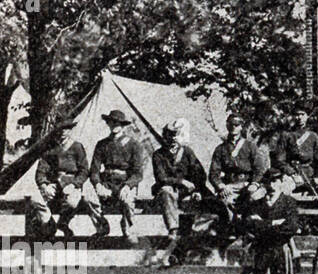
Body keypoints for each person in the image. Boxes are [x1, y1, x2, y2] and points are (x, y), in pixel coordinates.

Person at [150, 118, 212, 265]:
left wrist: (197, 189)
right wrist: (181, 181)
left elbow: (199, 174)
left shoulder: (187, 152)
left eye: (175, 135)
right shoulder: (158, 155)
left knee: (200, 210)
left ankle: (186, 252)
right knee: (165, 191)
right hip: (170, 189)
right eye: (168, 135)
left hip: (187, 192)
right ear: (164, 136)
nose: (172, 139)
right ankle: (173, 229)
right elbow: (161, 177)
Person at [34, 117, 107, 239]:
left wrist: (74, 185)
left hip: (72, 184)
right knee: (34, 199)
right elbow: (41, 171)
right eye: (60, 129)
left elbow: (84, 171)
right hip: (54, 185)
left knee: (72, 203)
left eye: (66, 129)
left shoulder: (77, 147)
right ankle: (49, 225)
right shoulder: (50, 148)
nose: (63, 132)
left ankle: (62, 223)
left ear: (71, 130)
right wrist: (44, 185)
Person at [89, 109, 145, 238]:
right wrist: (98, 185)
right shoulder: (102, 144)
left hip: (124, 182)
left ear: (123, 125)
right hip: (106, 182)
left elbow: (138, 173)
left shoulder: (134, 144)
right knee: (89, 198)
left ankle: (127, 227)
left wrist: (128, 186)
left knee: (128, 199)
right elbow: (94, 170)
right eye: (111, 122)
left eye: (117, 123)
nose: (114, 125)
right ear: (108, 123)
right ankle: (102, 226)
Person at [208, 114, 268, 234]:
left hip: (248, 184)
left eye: (237, 125)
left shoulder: (250, 146)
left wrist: (255, 184)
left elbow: (260, 169)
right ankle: (231, 232)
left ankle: (251, 230)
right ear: (227, 125)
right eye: (230, 124)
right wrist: (221, 186)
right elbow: (214, 173)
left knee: (255, 199)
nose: (233, 127)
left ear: (241, 127)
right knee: (225, 202)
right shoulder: (221, 149)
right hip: (230, 185)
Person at [268, 102, 318, 192]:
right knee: (283, 189)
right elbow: (279, 159)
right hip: (292, 174)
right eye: (297, 115)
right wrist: (291, 173)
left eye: (302, 114)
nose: (299, 117)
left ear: (307, 116)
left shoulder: (313, 136)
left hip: (310, 174)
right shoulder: (286, 135)